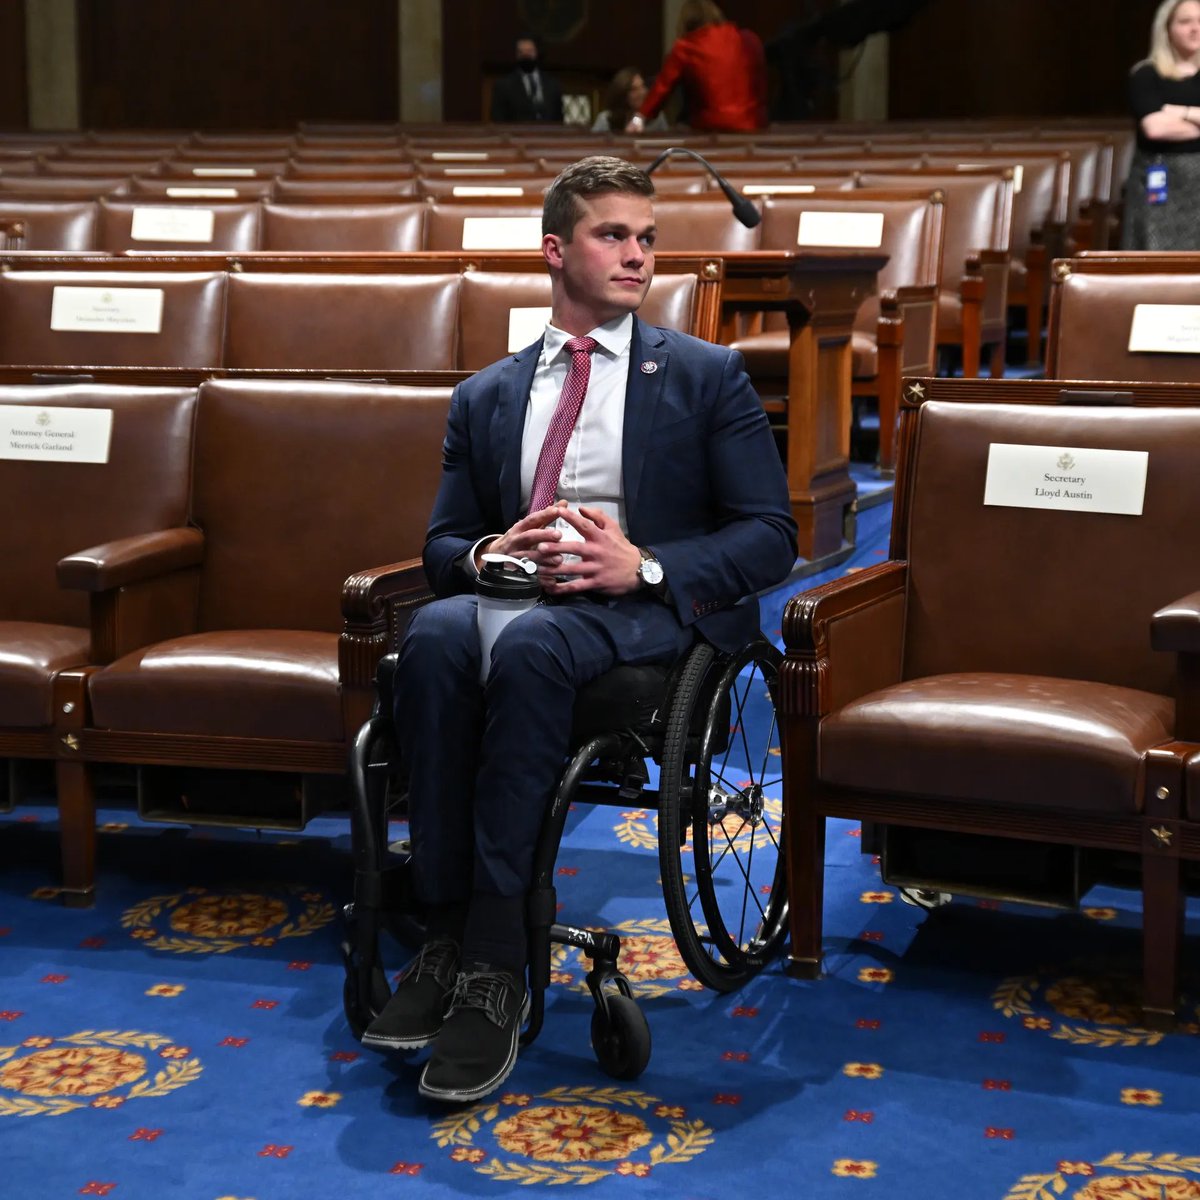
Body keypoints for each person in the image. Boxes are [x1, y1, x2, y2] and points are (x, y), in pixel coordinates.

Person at [360, 156, 797, 1103]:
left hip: (643, 617)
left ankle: (492, 965)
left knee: (527, 647)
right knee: (433, 637)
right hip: (519, 601)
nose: (638, 255)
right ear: (556, 250)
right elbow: (440, 541)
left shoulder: (705, 376)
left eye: (647, 238)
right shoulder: (487, 394)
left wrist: (640, 563)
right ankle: (441, 931)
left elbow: (773, 536)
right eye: (614, 235)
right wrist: (485, 557)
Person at [1122, 0, 1200, 249]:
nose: (1195, 29)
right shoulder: (1146, 75)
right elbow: (1155, 128)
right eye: (1185, 22)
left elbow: (1165, 121)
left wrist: (1178, 111)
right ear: (1166, 29)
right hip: (1160, 185)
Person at [628, 0, 767, 134]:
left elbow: (662, 87)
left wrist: (639, 117)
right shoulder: (749, 39)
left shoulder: (686, 47)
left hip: (711, 127)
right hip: (753, 125)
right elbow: (760, 85)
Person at [490, 34, 564, 123]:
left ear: (537, 53)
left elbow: (559, 118)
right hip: (517, 135)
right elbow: (498, 120)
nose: (525, 56)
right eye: (521, 52)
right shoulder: (503, 86)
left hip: (548, 135)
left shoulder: (553, 85)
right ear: (516, 55)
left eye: (529, 51)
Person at [591, 67, 668, 133]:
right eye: (634, 89)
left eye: (642, 86)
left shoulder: (657, 117)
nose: (642, 92)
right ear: (622, 95)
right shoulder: (605, 119)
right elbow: (592, 147)